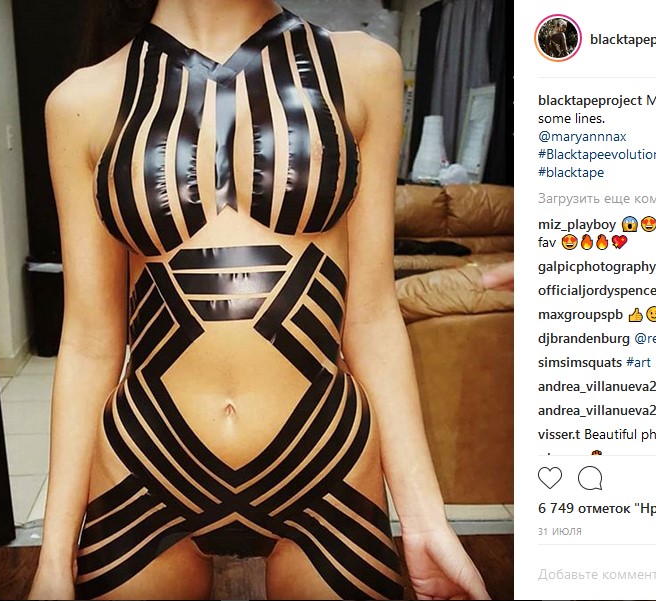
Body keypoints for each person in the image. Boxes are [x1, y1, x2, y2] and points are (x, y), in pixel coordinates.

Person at [28, 1, 489, 599]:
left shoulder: (363, 69)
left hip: (326, 464)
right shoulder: (82, 101)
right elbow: (90, 342)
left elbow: (372, 316)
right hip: (146, 466)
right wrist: (52, 561)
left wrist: (425, 521)